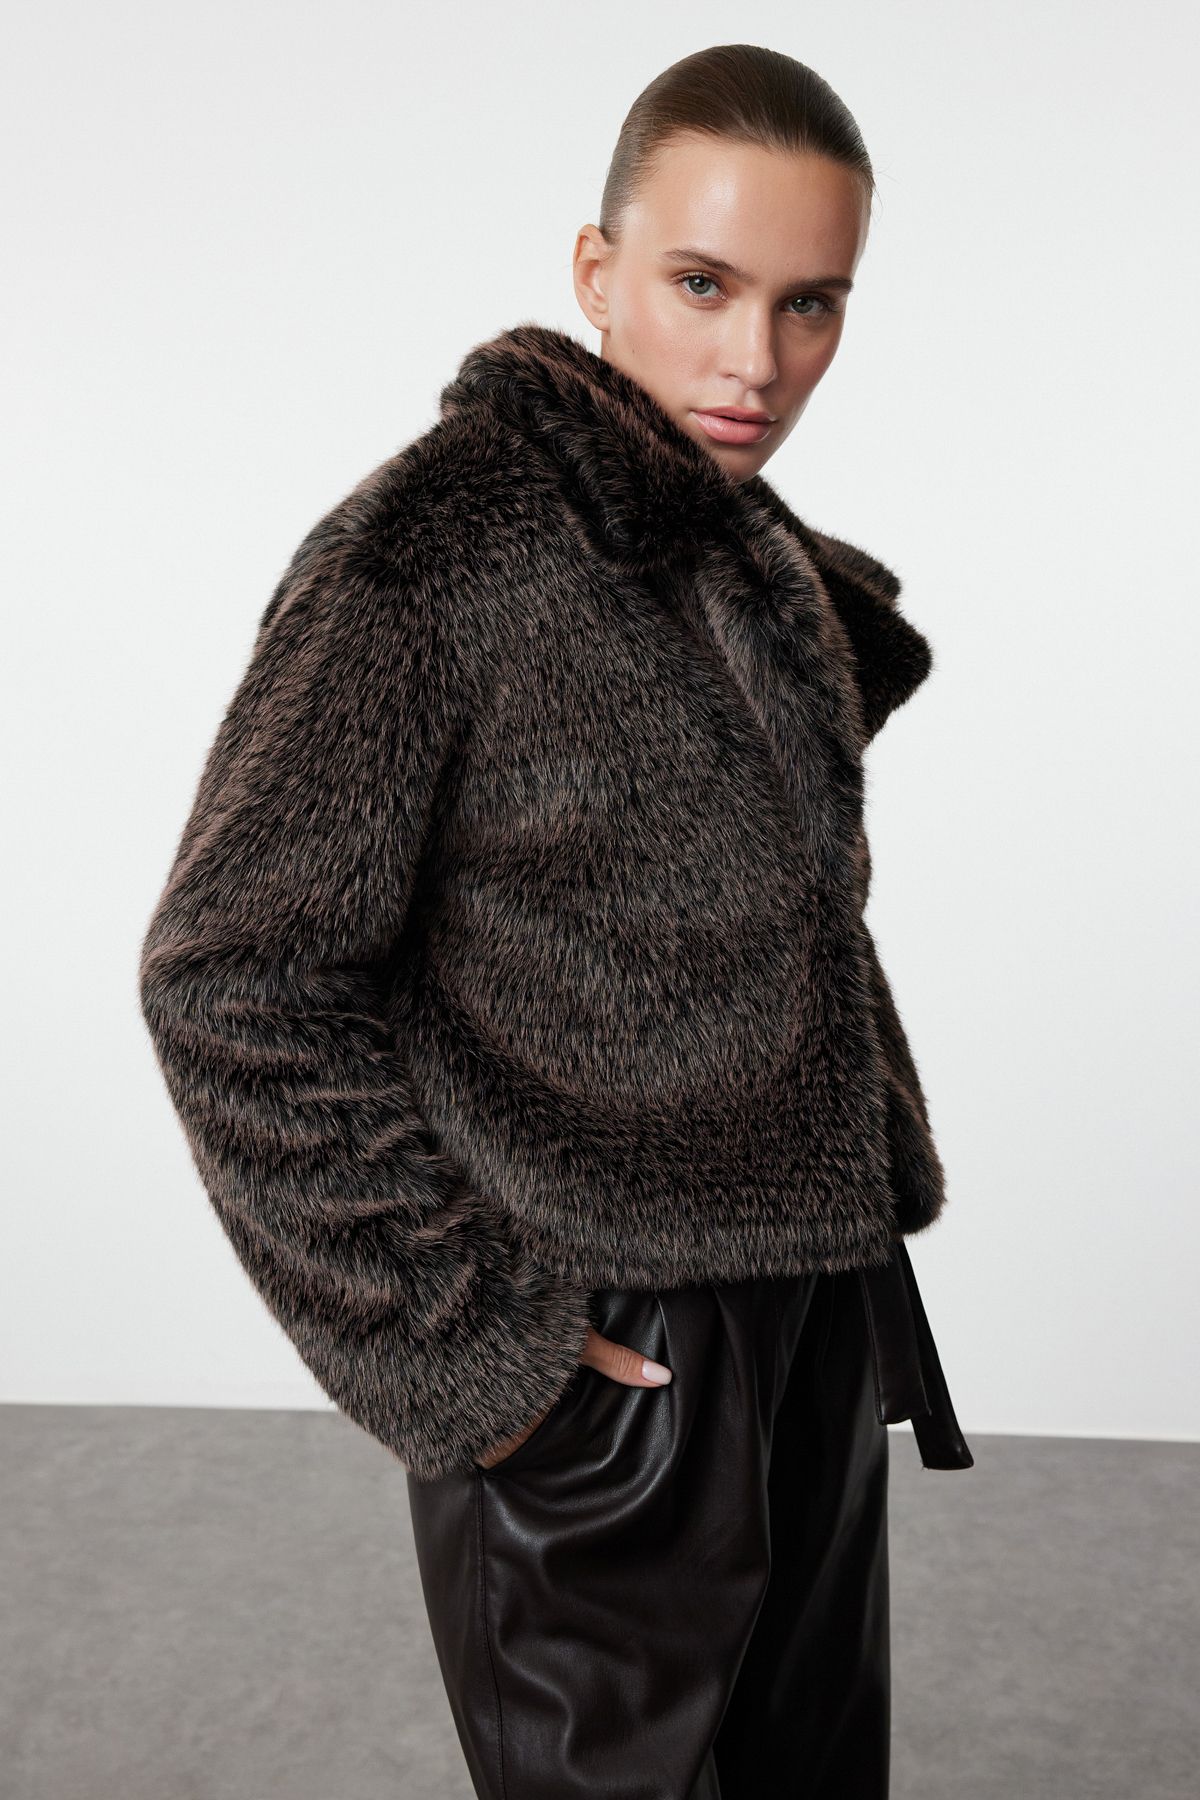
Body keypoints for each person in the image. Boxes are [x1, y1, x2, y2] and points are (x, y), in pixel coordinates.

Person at [138, 41, 972, 1800]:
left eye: (812, 304)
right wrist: (468, 1344)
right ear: (597, 271)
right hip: (604, 1352)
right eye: (703, 284)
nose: (757, 362)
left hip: (816, 1311)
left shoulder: (733, 552)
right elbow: (230, 976)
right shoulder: (431, 554)